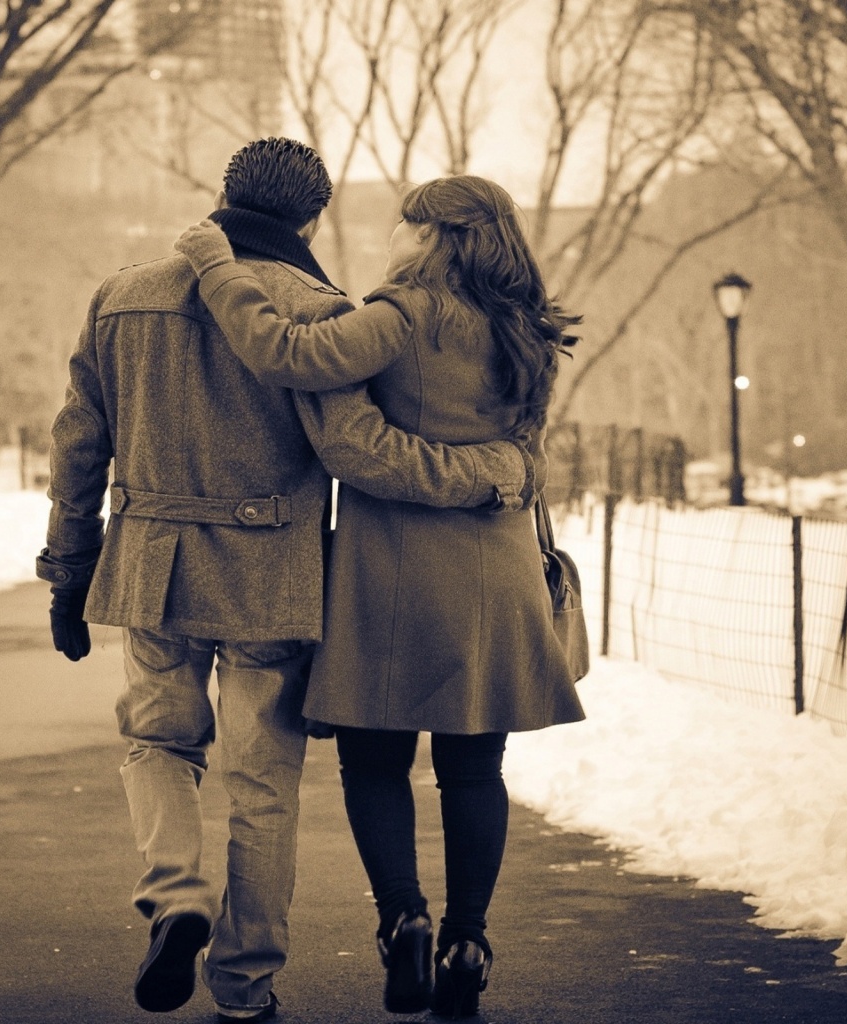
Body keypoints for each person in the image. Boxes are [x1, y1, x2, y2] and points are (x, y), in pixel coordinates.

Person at [38, 140, 541, 1023]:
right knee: (264, 787)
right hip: (271, 571)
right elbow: (348, 446)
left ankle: (177, 895)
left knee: (157, 744)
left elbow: (79, 440)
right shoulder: (321, 309)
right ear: (310, 220)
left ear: (224, 195)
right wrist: (496, 470)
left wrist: (68, 566)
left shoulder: (120, 296)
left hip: (152, 561)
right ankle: (244, 987)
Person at [174, 174, 586, 1018]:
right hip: (496, 574)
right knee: (476, 766)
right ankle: (468, 939)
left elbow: (285, 354)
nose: (395, 233)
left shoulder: (401, 314)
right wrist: (495, 474)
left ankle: (404, 921)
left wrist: (217, 266)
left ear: (433, 235)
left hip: (392, 573)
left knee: (375, 762)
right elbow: (523, 453)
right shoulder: (526, 325)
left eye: (406, 221)